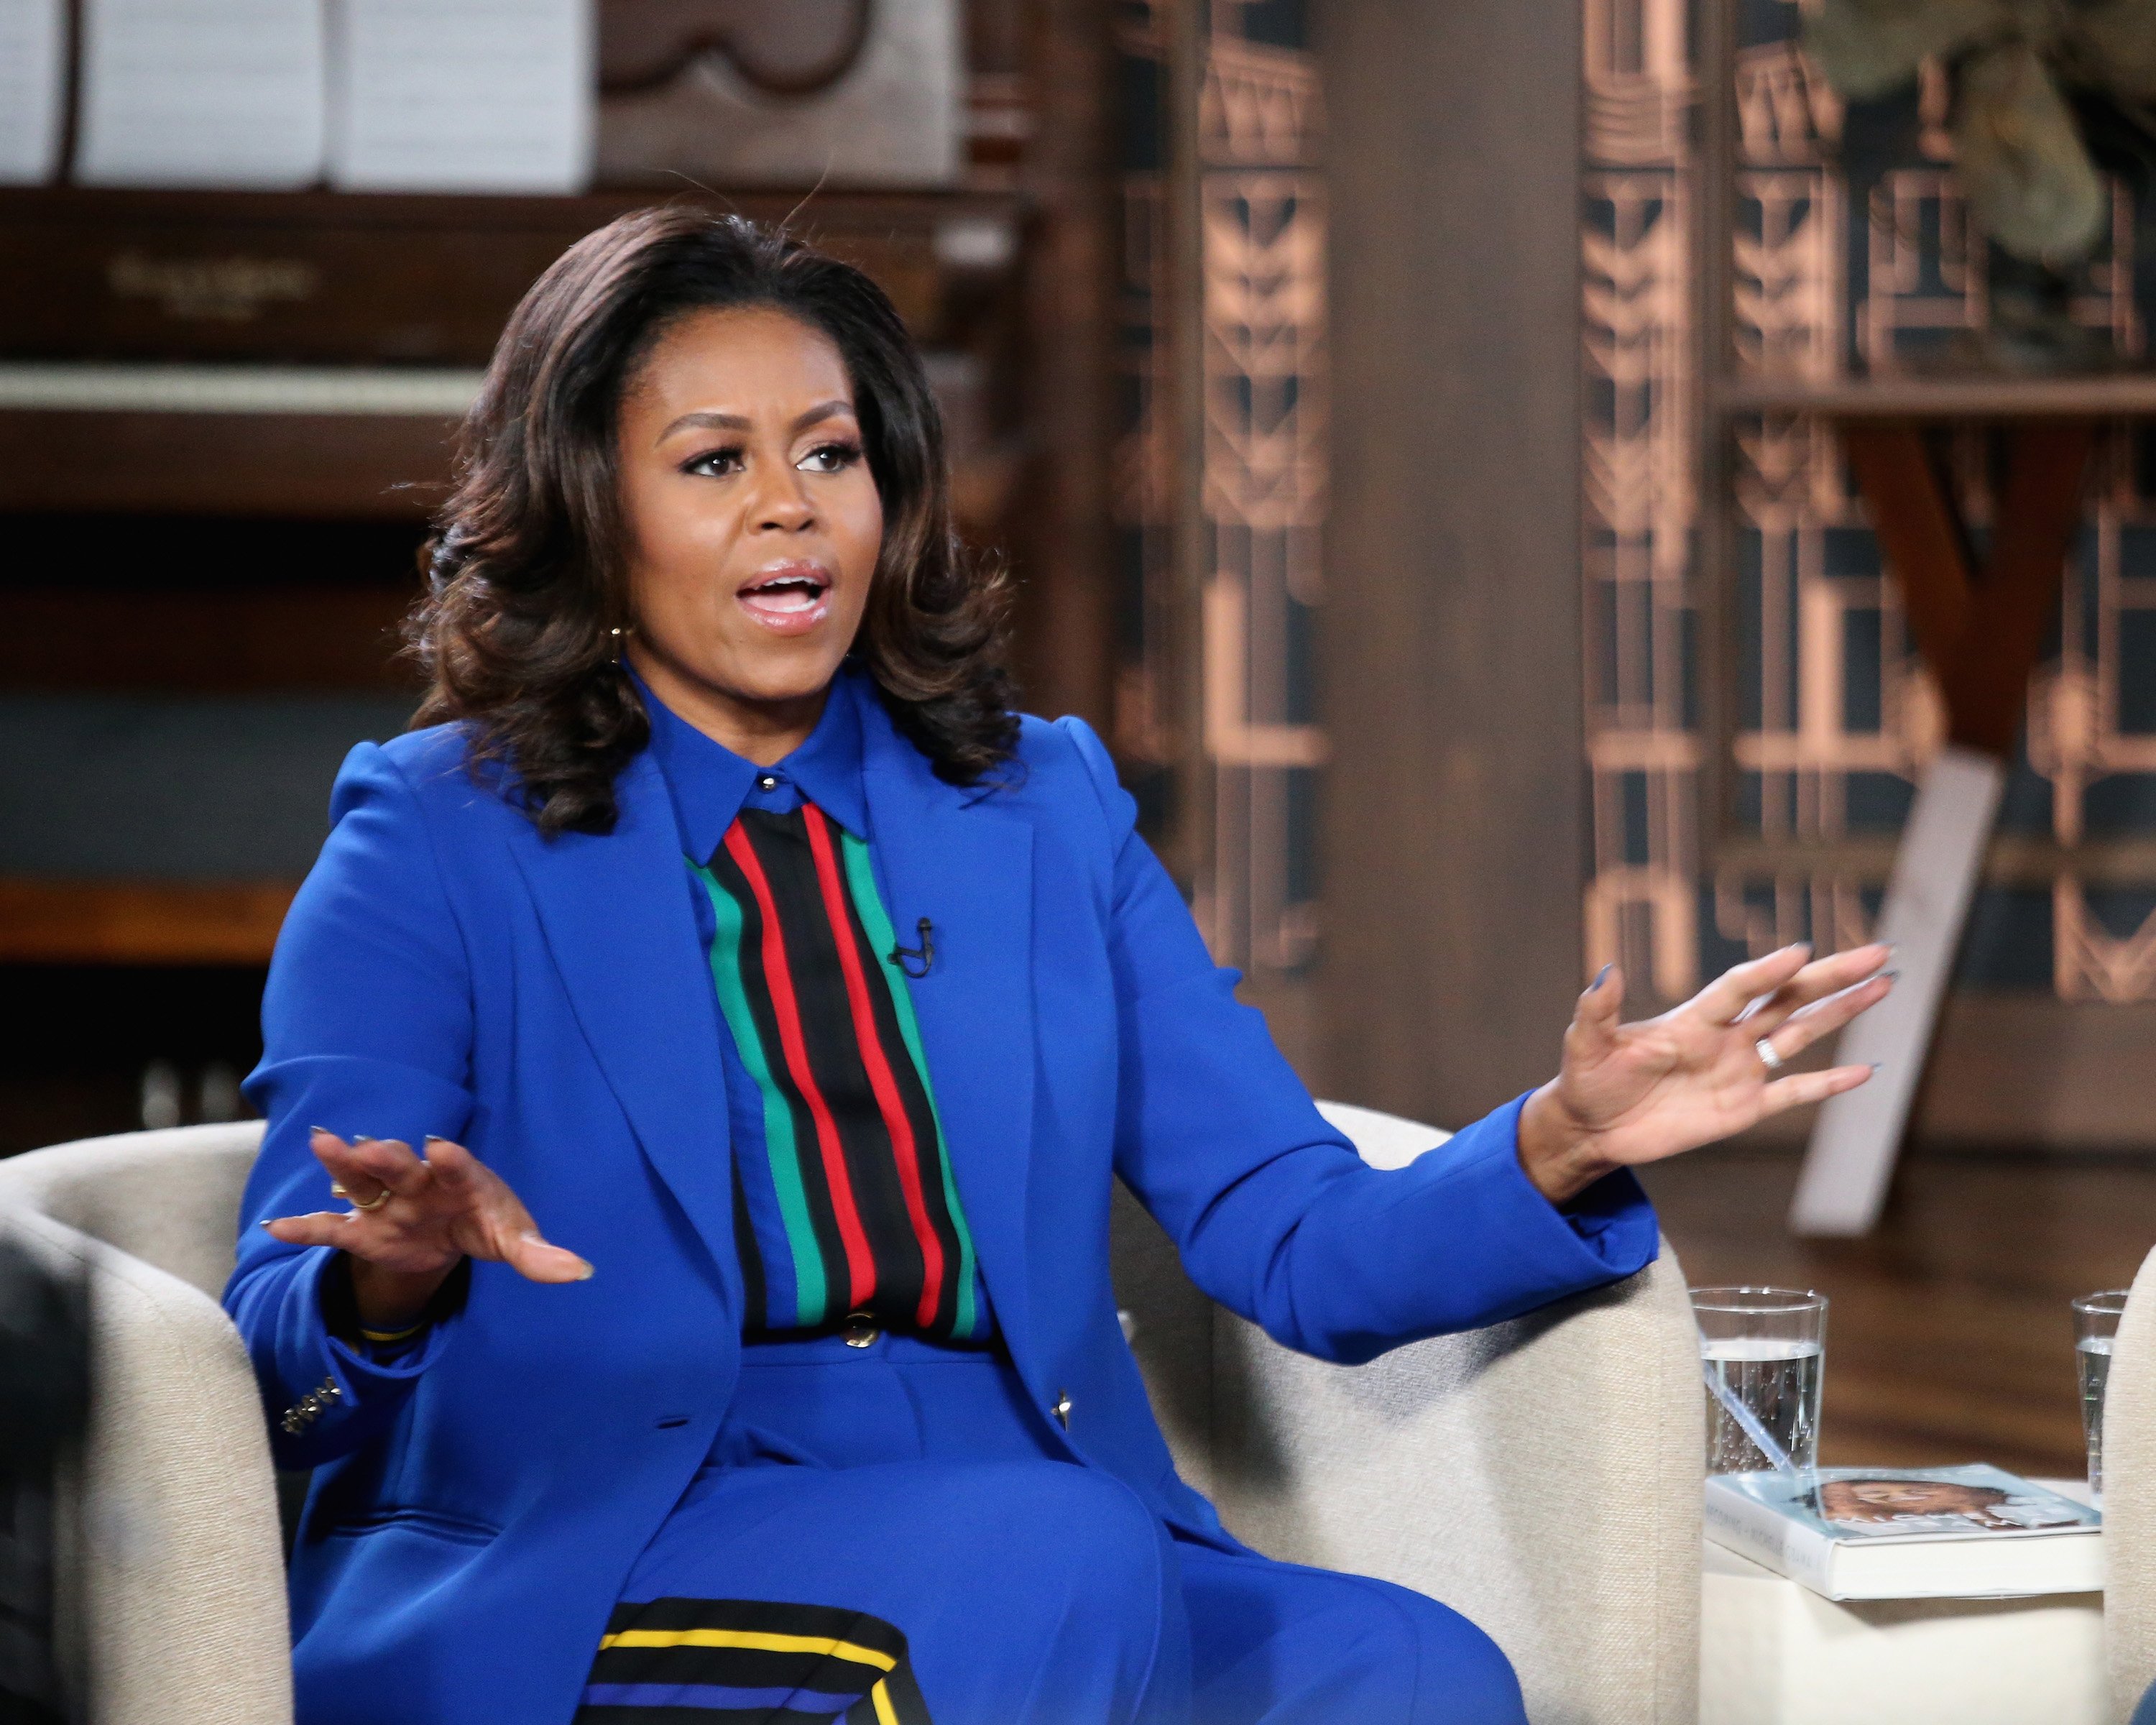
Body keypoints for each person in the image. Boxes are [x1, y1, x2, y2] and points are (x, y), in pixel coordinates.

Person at [225, 207, 1892, 1725]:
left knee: (1415, 1675)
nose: (792, 502)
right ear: (595, 509)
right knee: (1052, 1560)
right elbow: (276, 1329)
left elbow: (1291, 1231)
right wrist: (395, 1279)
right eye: (714, 463)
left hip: (1035, 1503)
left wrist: (1564, 1139)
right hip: (610, 1542)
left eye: (832, 453)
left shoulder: (1035, 807)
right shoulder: (436, 831)